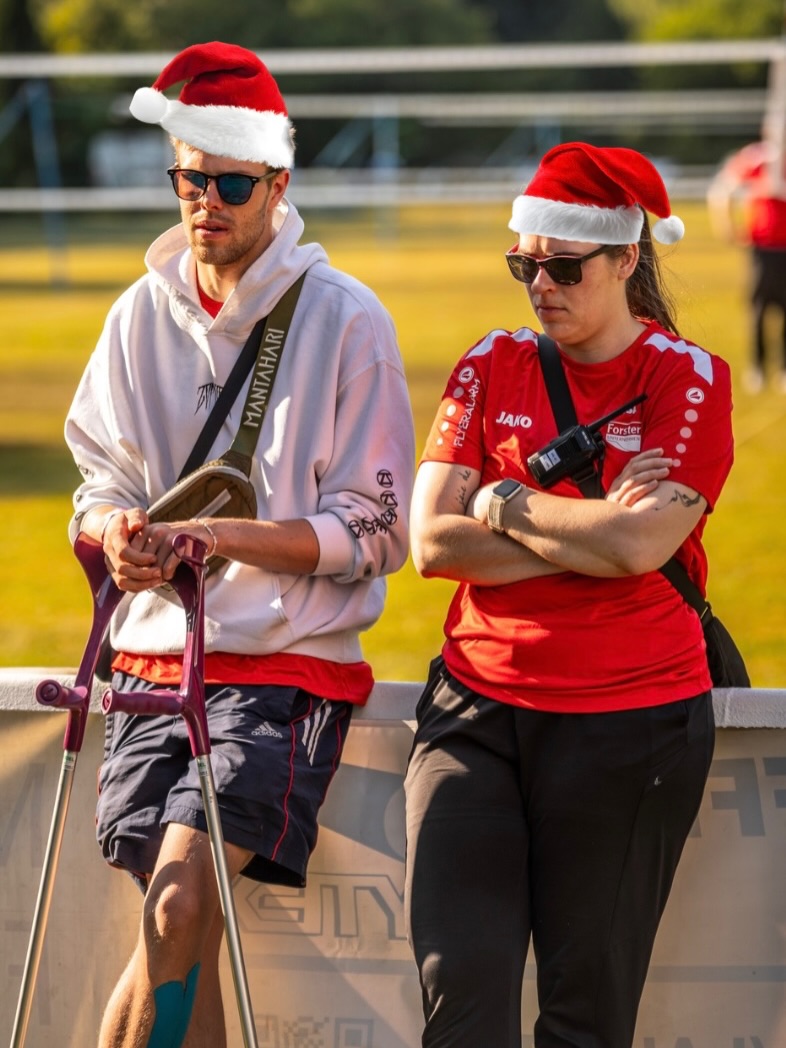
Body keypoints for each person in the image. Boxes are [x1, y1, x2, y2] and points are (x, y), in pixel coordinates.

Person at [64, 41, 414, 1048]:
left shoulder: (347, 318)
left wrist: (224, 536)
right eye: (189, 180)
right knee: (182, 929)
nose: (205, 202)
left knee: (176, 909)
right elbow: (99, 481)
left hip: (283, 665)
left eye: (230, 184)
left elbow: (379, 527)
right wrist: (115, 533)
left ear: (278, 183)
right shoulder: (136, 313)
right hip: (149, 658)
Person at [404, 142, 734, 1047]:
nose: (540, 287)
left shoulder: (687, 376)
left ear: (626, 259)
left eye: (563, 267)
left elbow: (640, 546)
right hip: (475, 712)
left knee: (583, 1023)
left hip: (630, 724)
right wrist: (592, 534)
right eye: (525, 266)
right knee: (458, 1003)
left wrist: (502, 501)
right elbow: (430, 543)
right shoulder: (491, 361)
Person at [707, 134, 786, 392]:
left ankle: (783, 369)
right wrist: (727, 226)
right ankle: (758, 367)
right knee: (760, 307)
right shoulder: (758, 158)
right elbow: (723, 189)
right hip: (764, 247)